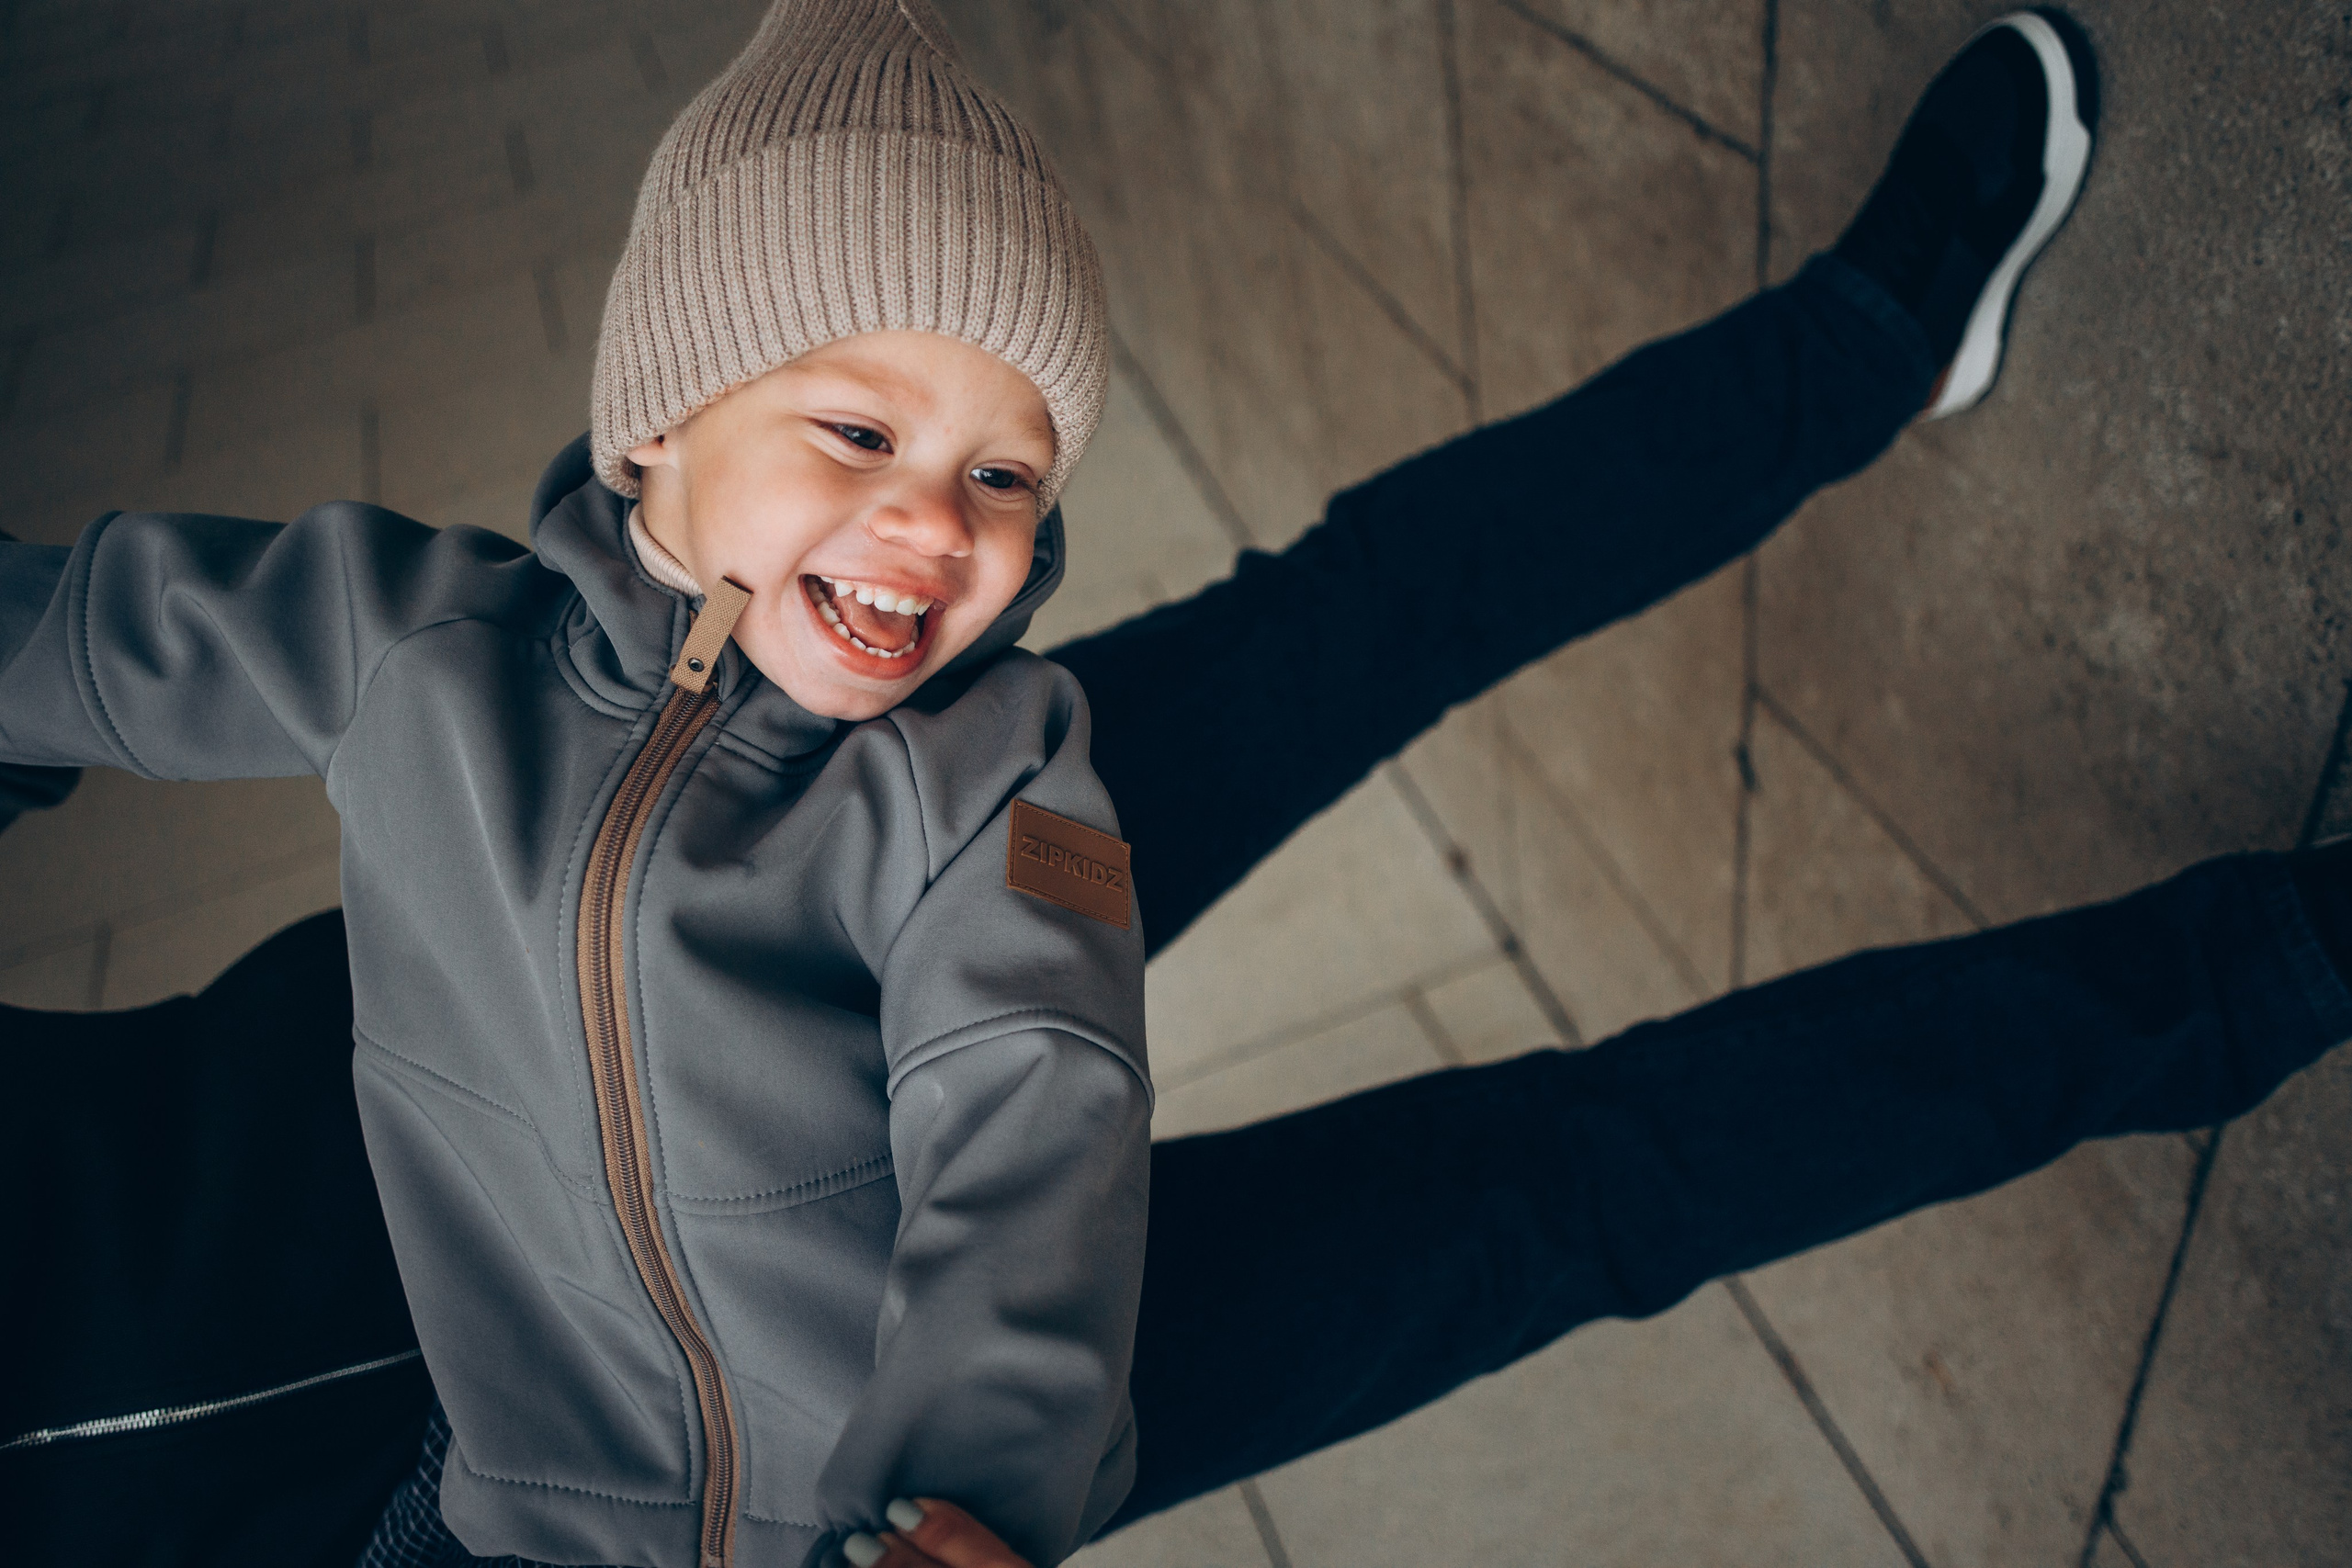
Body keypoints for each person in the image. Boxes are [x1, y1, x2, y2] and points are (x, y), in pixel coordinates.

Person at [7, 9, 2346, 1568]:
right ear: (655, 426)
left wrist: (999, 1395)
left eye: (1004, 475)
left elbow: (1033, 1071)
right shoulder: (413, 653)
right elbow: (144, 639)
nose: (935, 522)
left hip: (419, 1138)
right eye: (854, 431)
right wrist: (973, 1496)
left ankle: (1851, 344)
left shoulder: (966, 736)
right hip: (803, 1512)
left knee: (1360, 612)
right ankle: (2261, 963)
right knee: (1572, 1185)